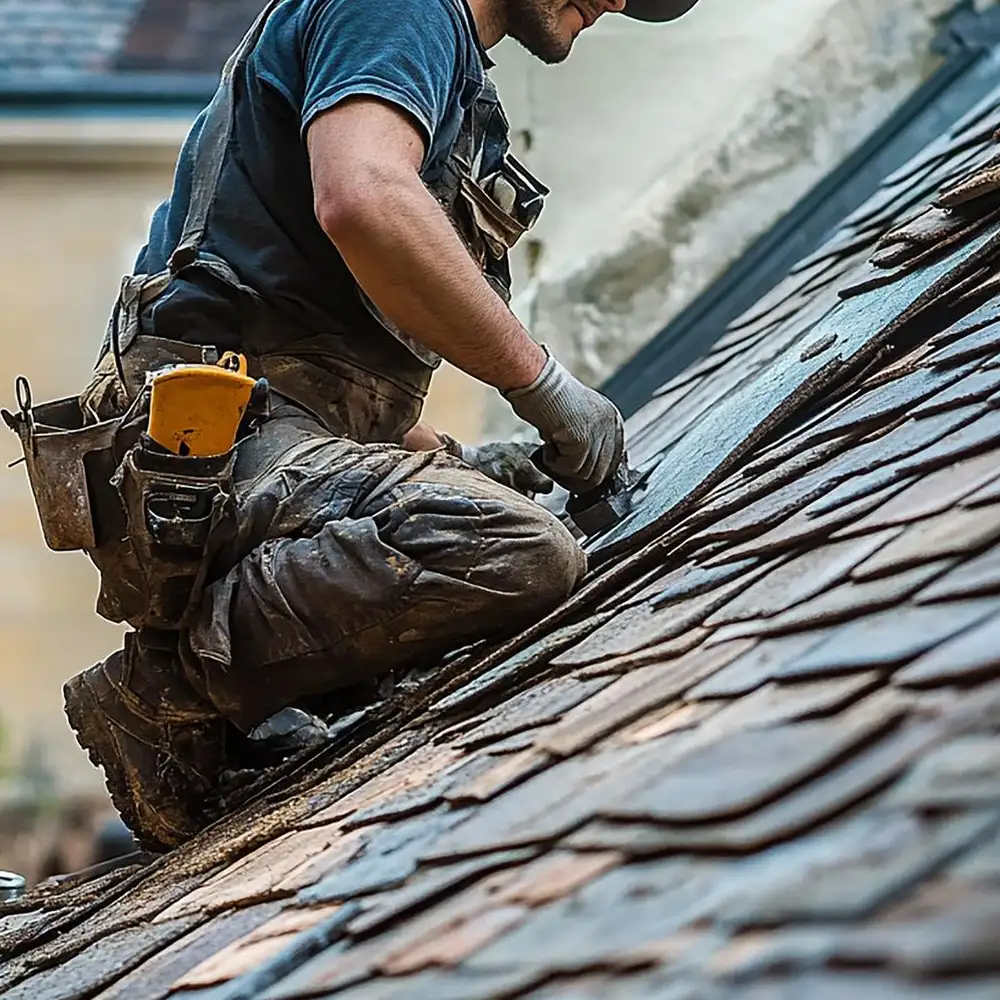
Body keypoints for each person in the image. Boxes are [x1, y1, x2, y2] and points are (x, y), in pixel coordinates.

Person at [56, 0, 702, 851]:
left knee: (482, 514)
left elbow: (298, 347)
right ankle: (166, 690)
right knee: (520, 552)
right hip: (202, 452)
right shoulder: (404, 11)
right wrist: (544, 386)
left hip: (255, 438)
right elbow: (363, 198)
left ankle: (229, 691)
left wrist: (457, 460)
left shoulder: (445, 67)